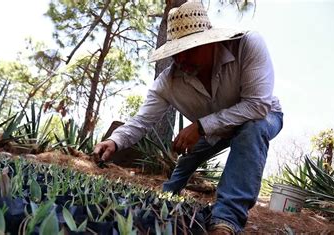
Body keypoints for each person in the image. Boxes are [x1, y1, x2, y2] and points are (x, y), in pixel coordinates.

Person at [93, 0, 283, 234]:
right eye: (176, 54)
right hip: (214, 129)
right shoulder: (167, 83)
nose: (181, 60)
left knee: (253, 129)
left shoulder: (246, 45)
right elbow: (141, 121)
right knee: (186, 161)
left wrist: (201, 126)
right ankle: (165, 197)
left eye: (189, 50)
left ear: (210, 42)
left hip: (262, 117)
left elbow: (257, 105)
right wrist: (115, 140)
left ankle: (226, 220)